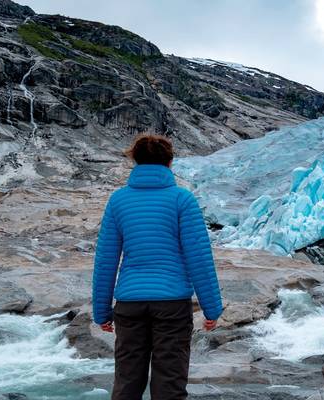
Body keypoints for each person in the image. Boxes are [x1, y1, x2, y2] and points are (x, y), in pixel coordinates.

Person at [92, 134, 223, 400]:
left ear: (135, 160)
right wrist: (212, 308)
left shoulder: (118, 200)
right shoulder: (182, 199)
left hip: (130, 305)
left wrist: (101, 312)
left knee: (127, 381)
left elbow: (106, 259)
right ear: (170, 162)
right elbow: (199, 257)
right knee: (169, 383)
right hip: (172, 304)